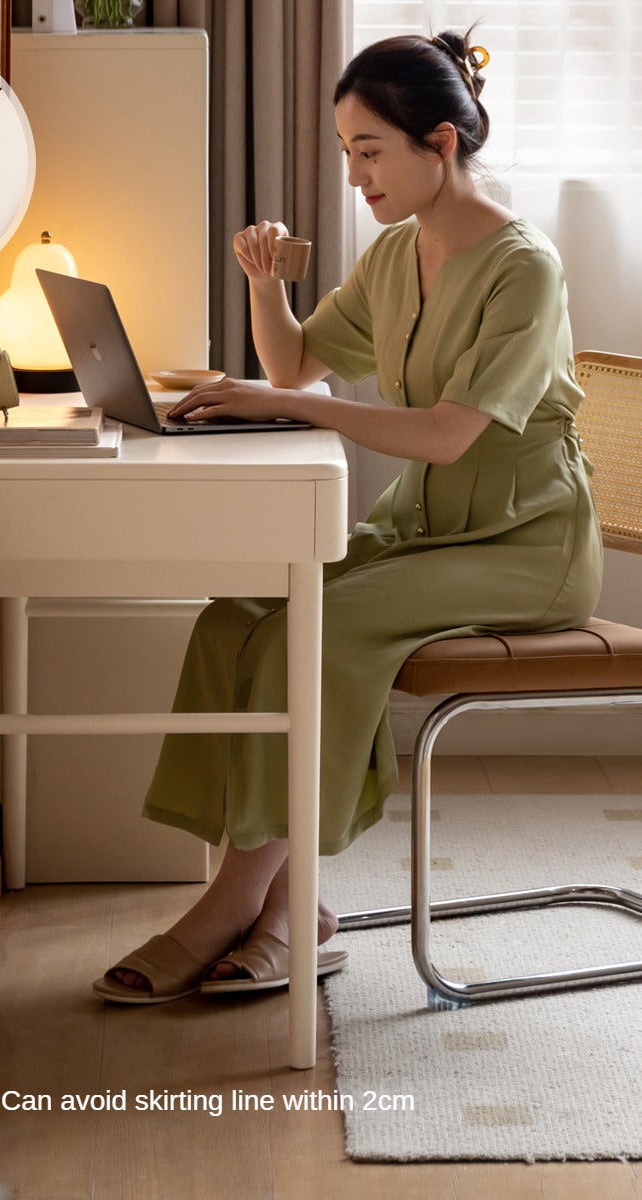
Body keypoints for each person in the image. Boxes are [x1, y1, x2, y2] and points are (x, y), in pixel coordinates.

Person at [92, 29, 603, 1003]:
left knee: (309, 634)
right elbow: (295, 367)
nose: (356, 174)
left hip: (524, 547)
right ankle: (285, 908)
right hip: (428, 532)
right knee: (236, 615)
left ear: (441, 143)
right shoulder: (399, 252)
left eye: (371, 150)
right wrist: (263, 284)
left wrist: (283, 404)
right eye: (346, 152)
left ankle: (244, 904)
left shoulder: (523, 269)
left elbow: (450, 434)